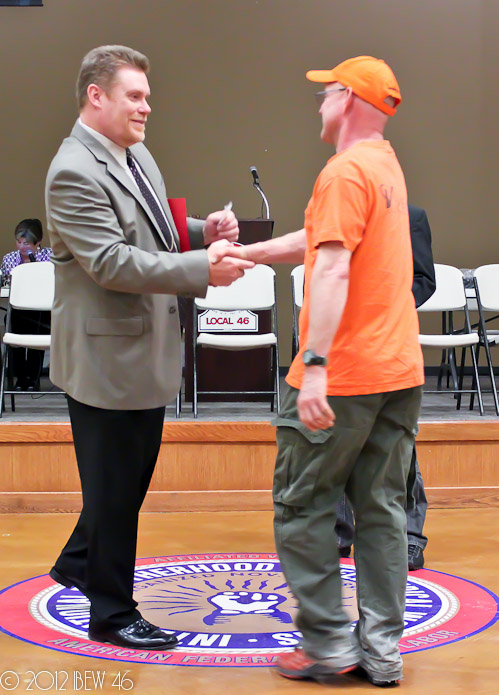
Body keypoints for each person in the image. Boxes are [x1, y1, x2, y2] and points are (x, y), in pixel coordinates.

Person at [45, 45, 253, 651]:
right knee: (114, 493)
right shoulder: (72, 171)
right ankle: (111, 615)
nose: (146, 107)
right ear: (96, 96)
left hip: (142, 354)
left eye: (147, 97)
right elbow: (112, 261)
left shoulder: (134, 154)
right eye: (134, 96)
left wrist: (202, 232)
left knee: (124, 485)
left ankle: (79, 564)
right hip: (106, 361)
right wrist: (202, 268)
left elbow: (152, 228)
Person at [227, 56, 424, 686]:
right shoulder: (383, 164)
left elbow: (333, 266)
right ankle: (382, 650)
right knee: (382, 511)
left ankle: (326, 642)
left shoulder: (343, 171)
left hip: (344, 377)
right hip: (398, 373)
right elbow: (320, 238)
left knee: (302, 506)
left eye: (327, 93)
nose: (319, 103)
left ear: (351, 101)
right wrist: (249, 254)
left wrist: (314, 365)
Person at [335, 204, 436, 571]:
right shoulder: (338, 213)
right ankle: (337, 535)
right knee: (337, 441)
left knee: (398, 444)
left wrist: (386, 305)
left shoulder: (412, 216)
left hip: (391, 343)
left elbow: (424, 279)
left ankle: (409, 537)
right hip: (342, 341)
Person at [1, 218, 52, 391]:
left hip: (42, 311)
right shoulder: (9, 259)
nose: (22, 247)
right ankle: (20, 378)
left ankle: (33, 378)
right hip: (19, 311)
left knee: (40, 326)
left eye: (27, 243)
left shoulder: (50, 257)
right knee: (12, 324)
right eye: (19, 242)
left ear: (38, 243)